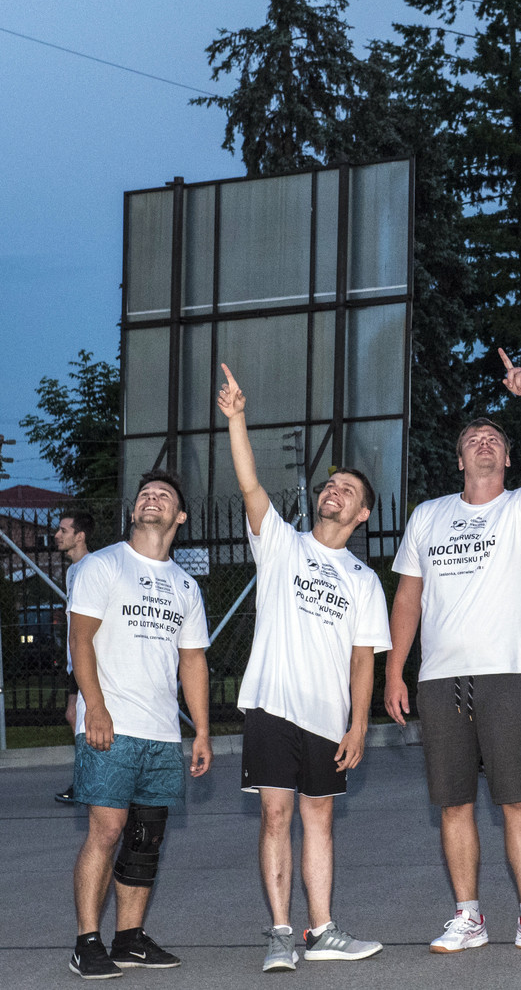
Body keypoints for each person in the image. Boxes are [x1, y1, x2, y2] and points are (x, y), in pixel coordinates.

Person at [385, 349, 521, 954]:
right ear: (460, 459)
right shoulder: (427, 516)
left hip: (508, 673)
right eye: (473, 439)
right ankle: (467, 917)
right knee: (454, 803)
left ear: (508, 457)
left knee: (517, 799)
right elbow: (408, 599)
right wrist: (394, 671)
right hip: (441, 678)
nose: (484, 444)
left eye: (494, 439)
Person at [217, 364, 390, 971]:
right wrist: (237, 419)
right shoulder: (282, 544)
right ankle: (281, 934)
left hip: (327, 718)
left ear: (362, 514)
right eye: (330, 484)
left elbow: (363, 659)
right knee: (275, 814)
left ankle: (323, 932)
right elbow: (250, 485)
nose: (334, 491)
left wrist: (359, 725)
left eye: (348, 490)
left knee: (320, 818)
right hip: (272, 705)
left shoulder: (364, 580)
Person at [67, 472, 211, 979]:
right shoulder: (104, 565)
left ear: (180, 516)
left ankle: (129, 939)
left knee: (147, 838)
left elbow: (192, 661)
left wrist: (202, 731)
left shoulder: (186, 586)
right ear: (134, 512)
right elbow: (80, 640)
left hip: (162, 733)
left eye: (164, 495)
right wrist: (95, 707)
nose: (152, 498)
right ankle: (86, 942)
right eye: (146, 494)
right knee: (107, 829)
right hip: (111, 724)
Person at [54, 509, 94, 805]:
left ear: (80, 536)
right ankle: (87, 779)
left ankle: (88, 781)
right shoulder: (72, 571)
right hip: (74, 659)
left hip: (88, 657)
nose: (57, 535)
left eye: (63, 530)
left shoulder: (93, 567)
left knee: (82, 719)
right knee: (74, 716)